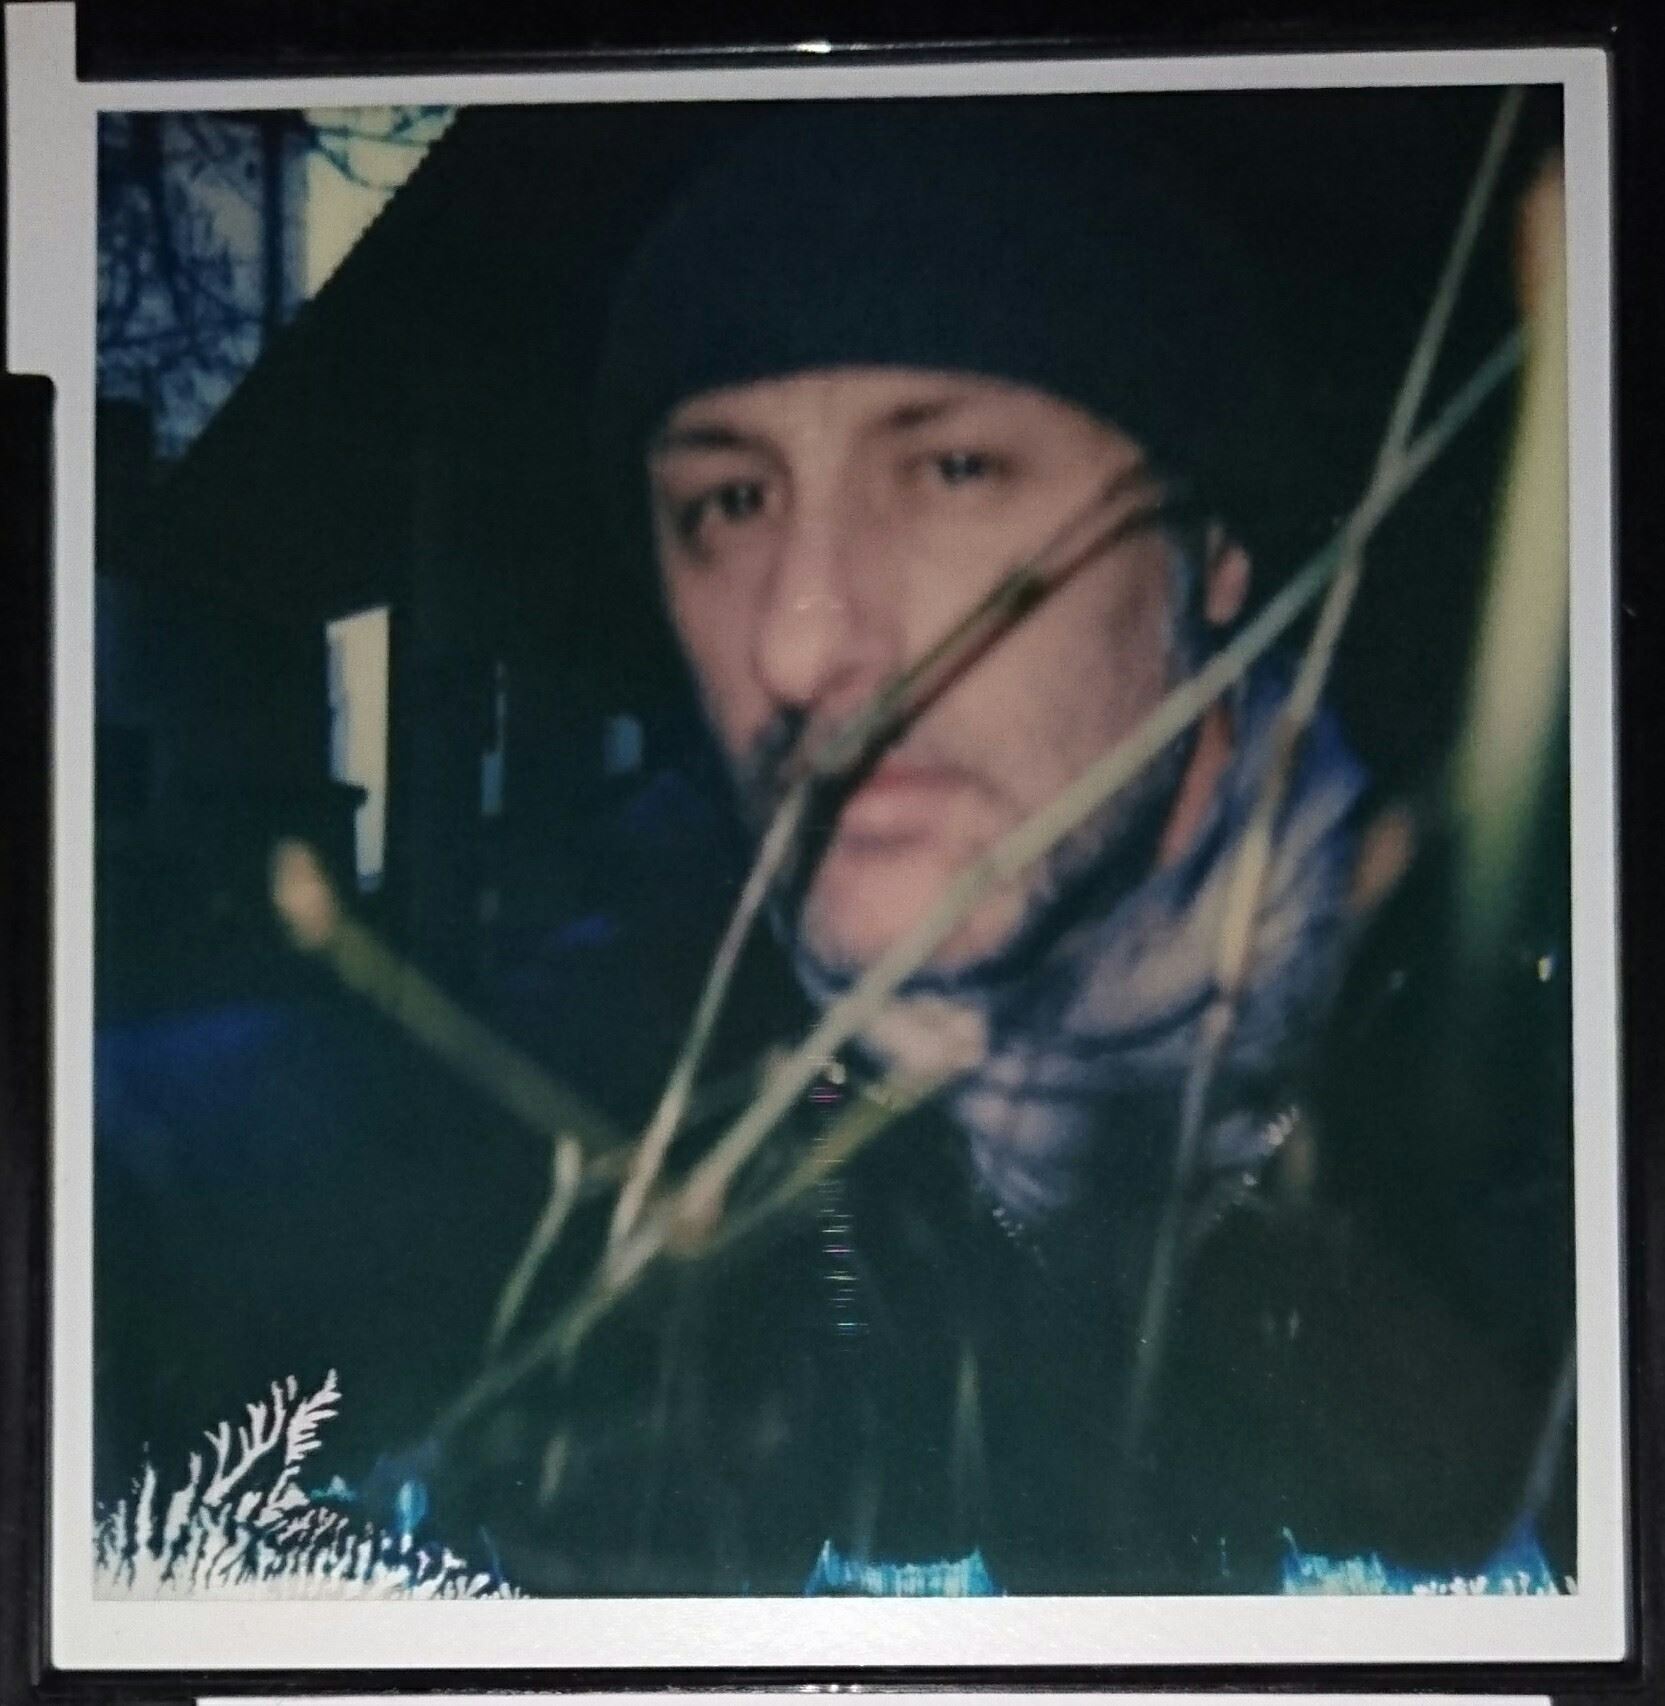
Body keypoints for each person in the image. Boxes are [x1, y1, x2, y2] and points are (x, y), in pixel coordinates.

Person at [94, 102, 1574, 1599]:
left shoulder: (1496, 985)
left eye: (952, 471)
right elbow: (355, 1146)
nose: (799, 643)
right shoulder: (684, 1000)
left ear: (1214, 559)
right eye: (731, 499)